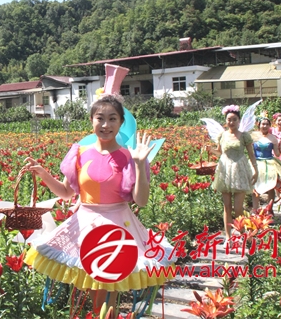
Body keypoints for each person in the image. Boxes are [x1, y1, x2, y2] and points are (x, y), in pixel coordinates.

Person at [22, 94, 173, 318]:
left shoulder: (130, 156)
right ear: (91, 120)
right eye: (100, 118)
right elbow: (66, 193)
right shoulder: (79, 153)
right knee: (94, 289)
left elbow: (141, 201)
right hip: (85, 224)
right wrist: (43, 173)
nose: (105, 125)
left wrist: (140, 165)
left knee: (108, 286)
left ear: (121, 123)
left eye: (112, 119)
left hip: (118, 226)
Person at [206, 105, 258, 240]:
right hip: (225, 170)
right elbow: (220, 152)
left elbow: (251, 154)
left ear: (239, 121)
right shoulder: (222, 135)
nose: (231, 122)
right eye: (229, 119)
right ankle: (228, 237)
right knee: (227, 207)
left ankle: (242, 234)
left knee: (238, 208)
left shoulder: (244, 136)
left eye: (234, 119)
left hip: (240, 169)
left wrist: (255, 169)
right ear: (225, 121)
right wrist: (211, 150)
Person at [251, 115, 281, 214]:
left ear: (270, 126)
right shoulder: (253, 136)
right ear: (259, 125)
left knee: (271, 186)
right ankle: (255, 209)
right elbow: (249, 150)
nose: (265, 126)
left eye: (267, 124)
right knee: (255, 186)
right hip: (257, 163)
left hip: (269, 163)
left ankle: (269, 209)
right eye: (263, 124)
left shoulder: (273, 138)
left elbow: (277, 154)